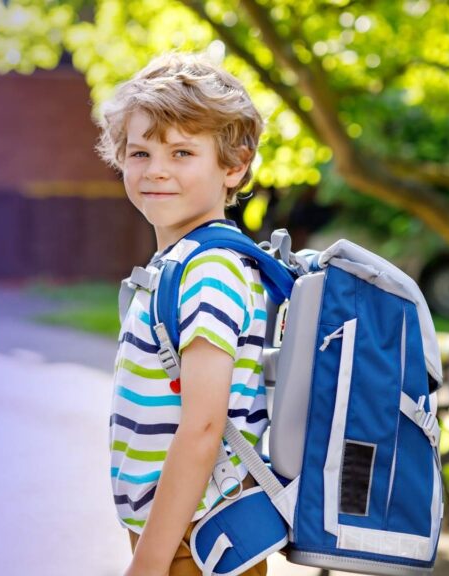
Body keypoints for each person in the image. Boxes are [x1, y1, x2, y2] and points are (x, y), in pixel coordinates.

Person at [94, 51, 271, 576]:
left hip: (196, 539)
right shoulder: (182, 263)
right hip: (183, 530)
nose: (157, 172)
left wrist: (149, 559)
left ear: (233, 166)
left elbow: (204, 424)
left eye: (182, 153)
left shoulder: (209, 270)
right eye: (141, 152)